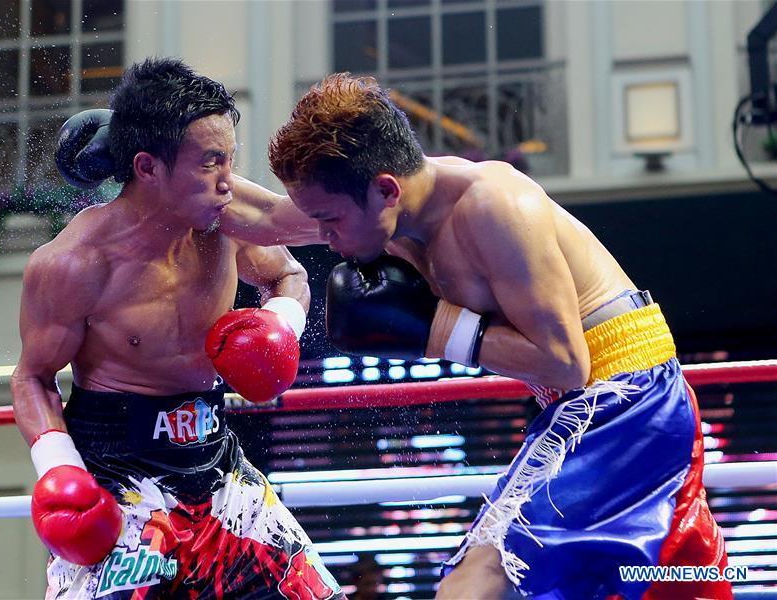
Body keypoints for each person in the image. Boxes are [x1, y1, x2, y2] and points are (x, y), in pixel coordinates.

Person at [267, 73, 730, 600]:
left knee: (480, 578)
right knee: (665, 585)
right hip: (584, 408)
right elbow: (259, 217)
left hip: (622, 397)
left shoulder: (494, 207)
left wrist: (434, 328)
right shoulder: (371, 214)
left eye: (328, 221)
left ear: (386, 189)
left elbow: (565, 363)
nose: (323, 238)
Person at [11, 57, 342, 599]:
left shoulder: (225, 221)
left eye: (230, 159)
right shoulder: (74, 263)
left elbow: (290, 269)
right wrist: (58, 469)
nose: (228, 180)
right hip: (115, 472)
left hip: (216, 464)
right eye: (211, 162)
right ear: (147, 168)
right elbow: (33, 377)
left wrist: (282, 322)